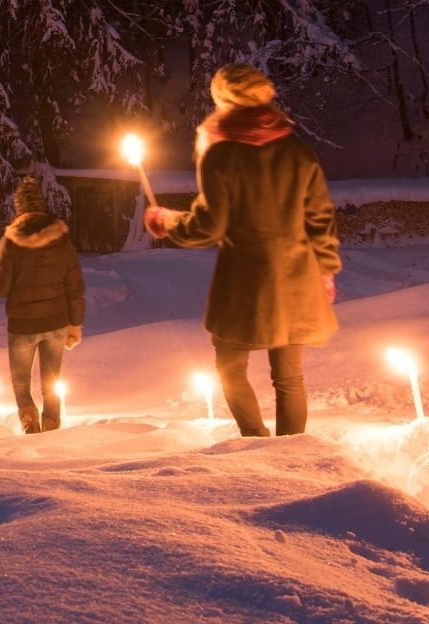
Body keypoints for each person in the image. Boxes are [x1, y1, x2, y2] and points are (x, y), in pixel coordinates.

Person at [144, 64, 340, 437]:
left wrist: (166, 221)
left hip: (246, 285)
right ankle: (292, 453)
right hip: (297, 279)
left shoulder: (221, 153)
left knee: (230, 367)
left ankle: (257, 443)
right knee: (288, 377)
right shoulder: (296, 150)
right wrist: (325, 269)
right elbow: (320, 217)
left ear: (224, 98)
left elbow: (209, 225)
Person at [0, 175, 85, 433]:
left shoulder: (11, 242)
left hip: (23, 327)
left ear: (20, 209)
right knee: (52, 384)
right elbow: (75, 286)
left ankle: (31, 428)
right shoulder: (61, 240)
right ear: (41, 206)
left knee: (21, 386)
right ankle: (51, 430)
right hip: (57, 323)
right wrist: (75, 323)